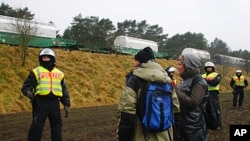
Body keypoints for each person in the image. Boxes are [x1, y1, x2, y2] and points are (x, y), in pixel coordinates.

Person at [117, 47, 180, 141]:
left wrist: (123, 137)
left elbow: (127, 111)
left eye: (136, 61)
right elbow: (176, 109)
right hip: (166, 135)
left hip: (142, 135)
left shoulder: (134, 80)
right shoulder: (167, 80)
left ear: (141, 62)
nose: (134, 64)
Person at [21, 48, 70, 141]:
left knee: (57, 127)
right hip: (40, 102)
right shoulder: (36, 72)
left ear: (53, 59)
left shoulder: (59, 73)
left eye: (48, 57)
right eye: (44, 58)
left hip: (55, 103)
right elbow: (25, 87)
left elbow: (63, 90)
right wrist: (30, 95)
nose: (46, 59)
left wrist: (67, 104)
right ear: (40, 59)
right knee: (36, 127)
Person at [175, 53, 208, 141]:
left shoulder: (199, 82)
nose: (177, 67)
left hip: (193, 129)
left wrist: (175, 91)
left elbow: (193, 102)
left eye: (180, 64)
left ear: (188, 66)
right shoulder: (185, 80)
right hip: (182, 126)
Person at [202, 61, 222, 129]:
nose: (208, 69)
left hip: (213, 93)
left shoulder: (217, 75)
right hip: (204, 93)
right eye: (207, 67)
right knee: (205, 108)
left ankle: (218, 123)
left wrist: (205, 80)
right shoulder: (202, 75)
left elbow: (214, 83)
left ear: (213, 68)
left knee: (216, 108)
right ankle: (208, 124)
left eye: (210, 67)